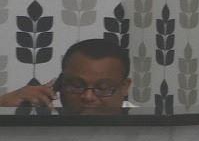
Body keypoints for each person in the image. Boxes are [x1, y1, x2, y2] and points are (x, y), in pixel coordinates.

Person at [1, 38, 134, 116]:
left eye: (103, 88)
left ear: (124, 87)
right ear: (59, 84)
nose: (88, 97)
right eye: (76, 86)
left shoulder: (144, 128)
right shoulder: (39, 131)